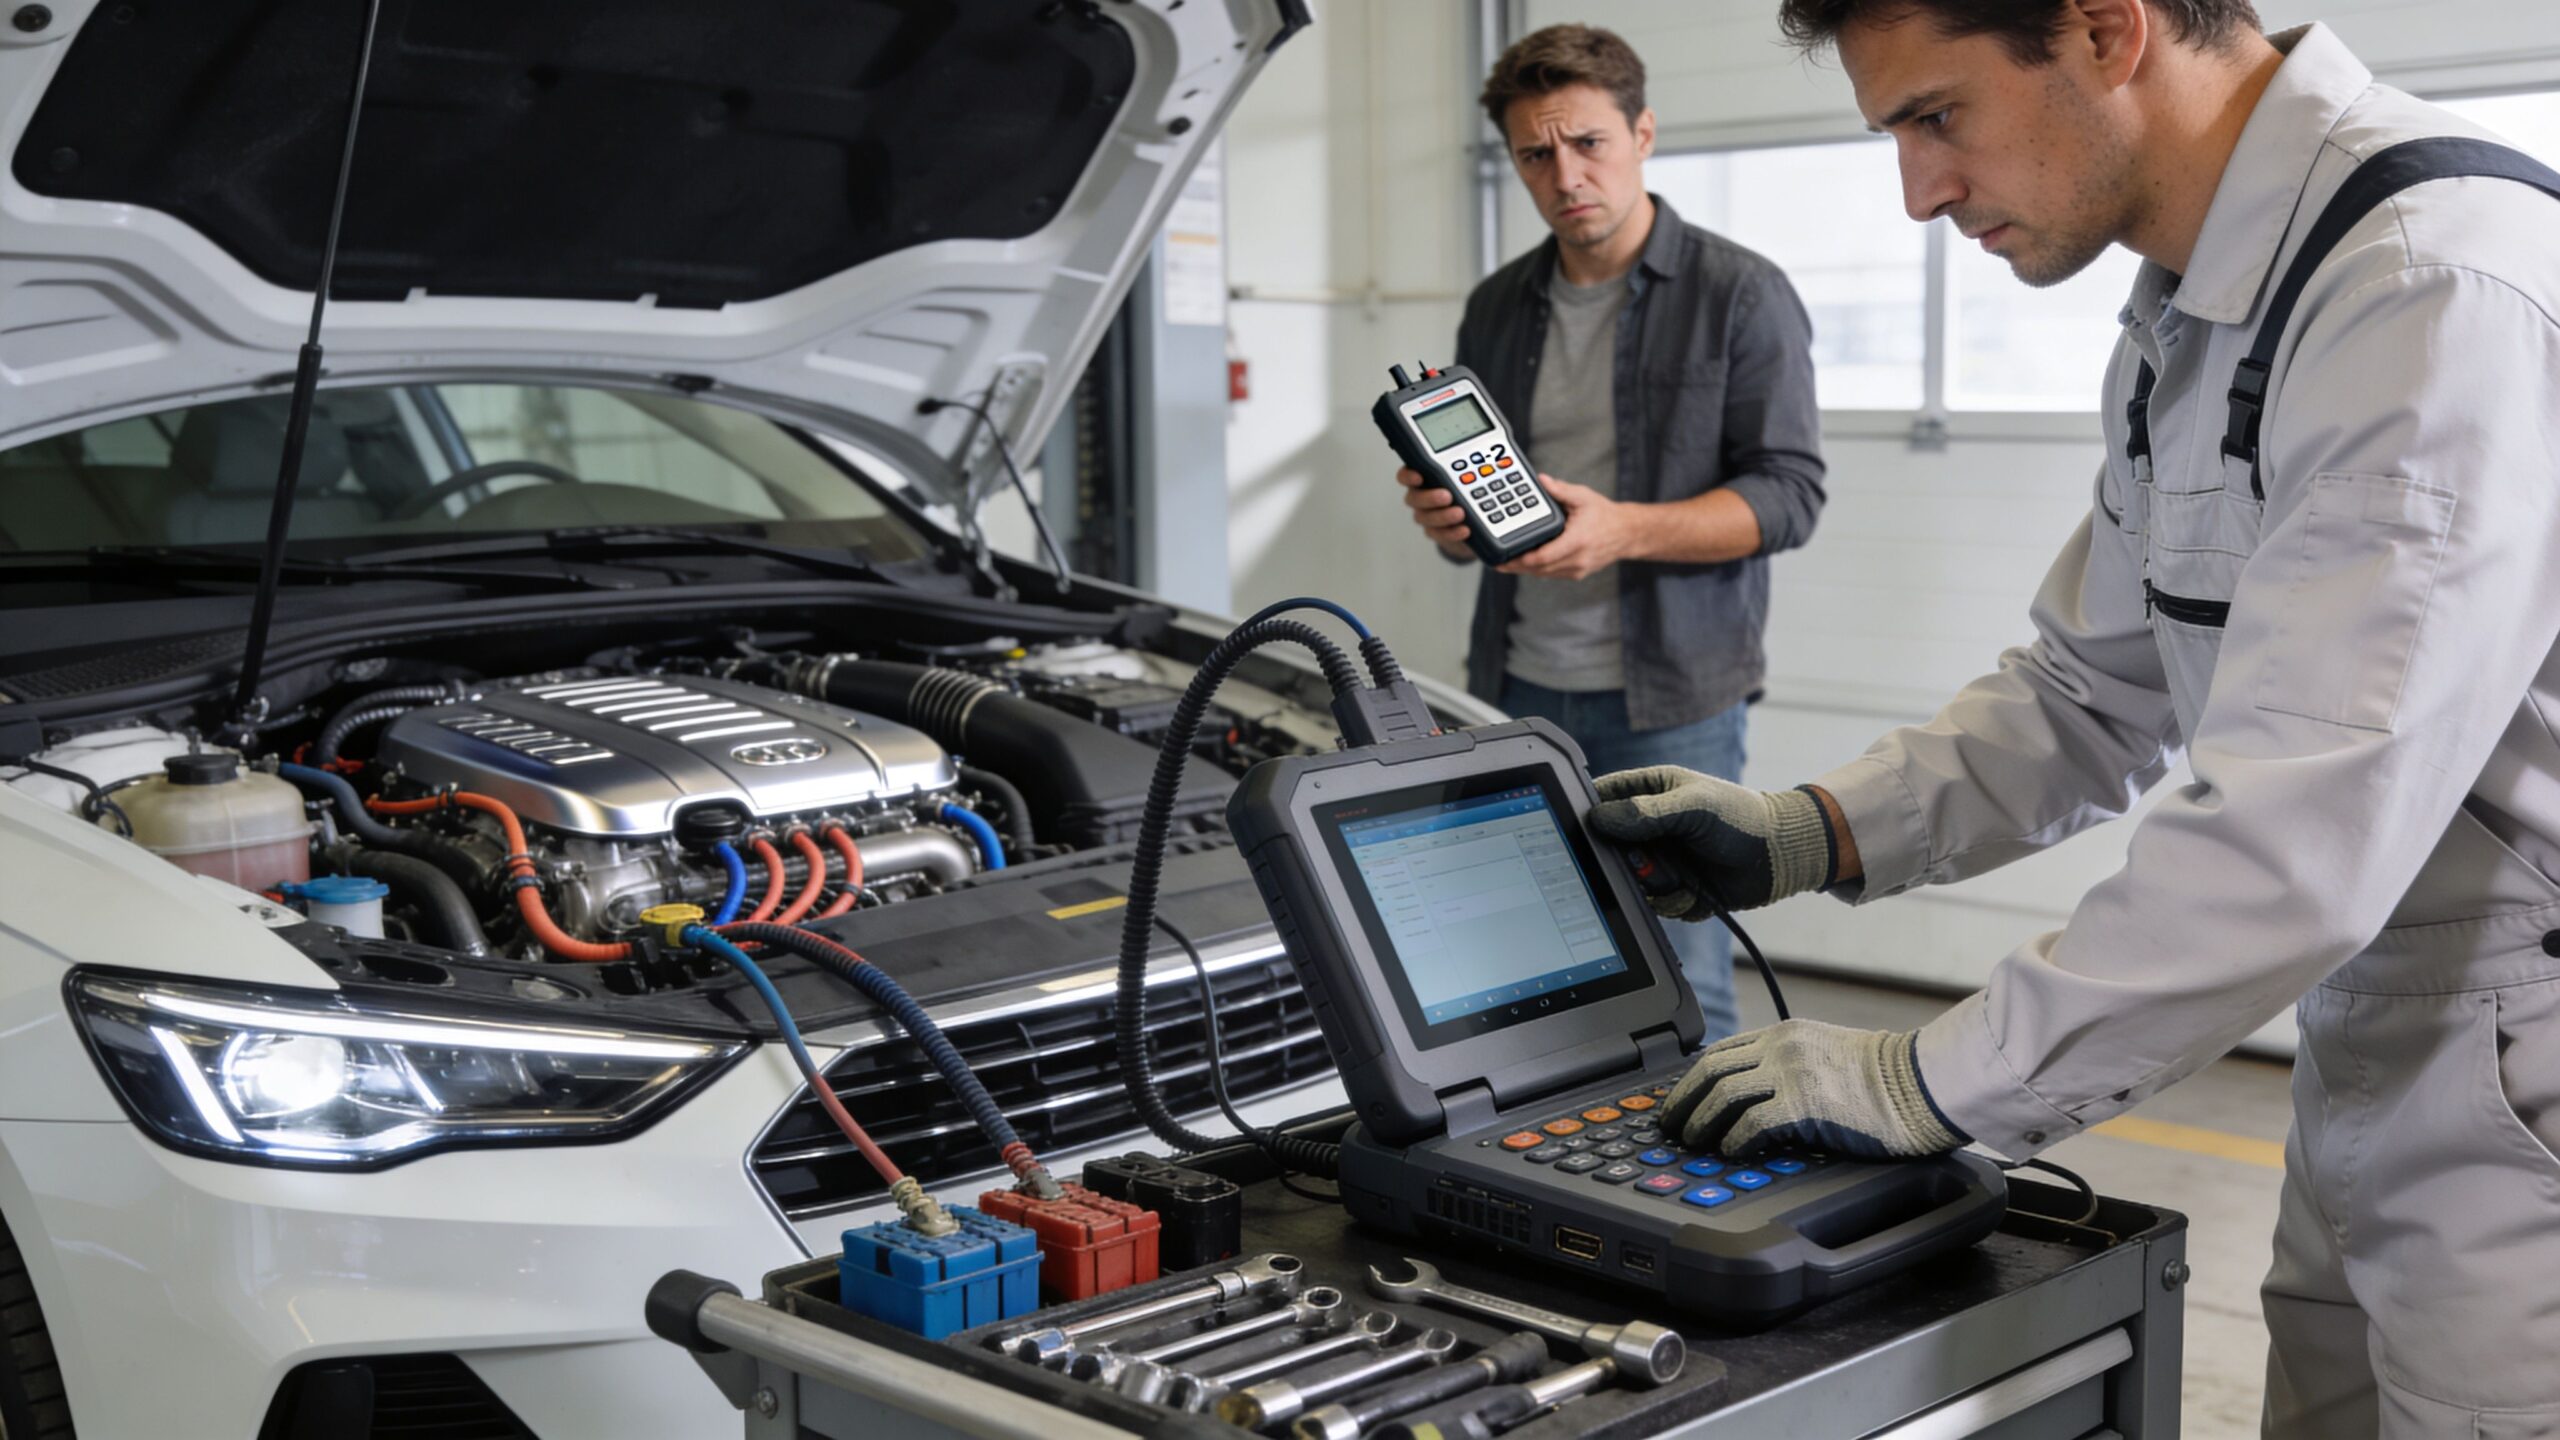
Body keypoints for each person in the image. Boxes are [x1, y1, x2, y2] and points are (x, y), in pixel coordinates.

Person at [1587, 1, 2560, 1434]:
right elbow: (2092, 688)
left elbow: (2304, 830)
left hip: (2524, 1073)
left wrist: (1928, 1076)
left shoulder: (2428, 284)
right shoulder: (2195, 311)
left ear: (2107, 31)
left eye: (1937, 117)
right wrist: (1816, 831)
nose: (1917, 193)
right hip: (2385, 1043)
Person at [1398, 23, 1828, 1039]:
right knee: (1517, 967)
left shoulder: (1742, 293)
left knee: (1686, 981)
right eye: (1535, 154)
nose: (1564, 175)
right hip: (1510, 685)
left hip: (1672, 700)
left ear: (1641, 134)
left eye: (1587, 142)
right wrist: (1445, 522)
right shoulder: (1496, 306)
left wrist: (1623, 530)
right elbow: (1477, 518)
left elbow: (1789, 495)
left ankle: (1700, 1195)